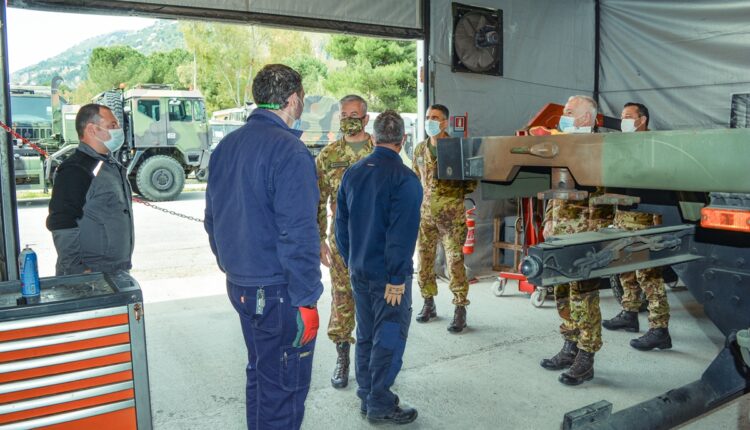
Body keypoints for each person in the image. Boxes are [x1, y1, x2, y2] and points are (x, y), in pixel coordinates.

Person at [204, 64, 323, 430]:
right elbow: (299, 234)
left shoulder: (226, 146)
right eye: (301, 96)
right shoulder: (290, 151)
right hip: (277, 292)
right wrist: (306, 299)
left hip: (241, 284)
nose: (301, 102)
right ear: (292, 100)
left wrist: (233, 267)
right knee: (284, 387)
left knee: (261, 373)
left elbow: (212, 220)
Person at [335, 110, 422, 425]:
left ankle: (367, 396)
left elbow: (340, 228)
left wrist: (352, 259)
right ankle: (380, 403)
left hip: (359, 271)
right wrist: (397, 278)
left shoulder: (353, 173)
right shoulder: (405, 180)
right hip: (389, 279)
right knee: (389, 336)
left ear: (373, 138)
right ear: (403, 139)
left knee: (368, 335)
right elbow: (401, 236)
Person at [540, 95, 615, 386]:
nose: (564, 116)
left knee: (584, 295)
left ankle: (586, 356)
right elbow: (553, 188)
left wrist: (598, 233)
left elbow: (607, 195)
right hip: (559, 232)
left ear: (586, 118)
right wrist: (548, 218)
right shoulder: (563, 145)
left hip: (585, 233)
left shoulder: (601, 148)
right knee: (561, 292)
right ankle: (570, 344)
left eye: (570, 112)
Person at [603, 102, 672, 351]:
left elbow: (661, 183)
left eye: (628, 117)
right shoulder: (623, 145)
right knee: (625, 268)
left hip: (645, 217)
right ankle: (629, 314)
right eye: (622, 117)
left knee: (648, 274)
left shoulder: (654, 145)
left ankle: (659, 329)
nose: (623, 121)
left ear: (642, 120)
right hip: (623, 215)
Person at [317, 94, 374, 389]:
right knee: (342, 296)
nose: (348, 119)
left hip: (374, 241)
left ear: (365, 118)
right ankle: (343, 357)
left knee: (374, 298)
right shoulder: (327, 156)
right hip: (341, 240)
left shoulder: (380, 152)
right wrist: (319, 240)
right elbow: (318, 200)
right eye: (343, 114)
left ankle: (374, 361)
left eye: (354, 114)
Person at [47, 103, 133, 276]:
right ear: (92, 130)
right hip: (91, 274)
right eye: (112, 126)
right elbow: (62, 221)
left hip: (115, 270)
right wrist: (75, 270)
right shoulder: (76, 169)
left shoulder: (108, 164)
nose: (118, 130)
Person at [412, 104, 476, 333]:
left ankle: (460, 308)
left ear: (445, 122)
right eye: (428, 116)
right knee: (424, 262)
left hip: (451, 217)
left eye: (435, 117)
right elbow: (415, 180)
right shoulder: (420, 149)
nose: (430, 120)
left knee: (455, 263)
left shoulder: (457, 148)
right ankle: (428, 304)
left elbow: (472, 182)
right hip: (425, 217)